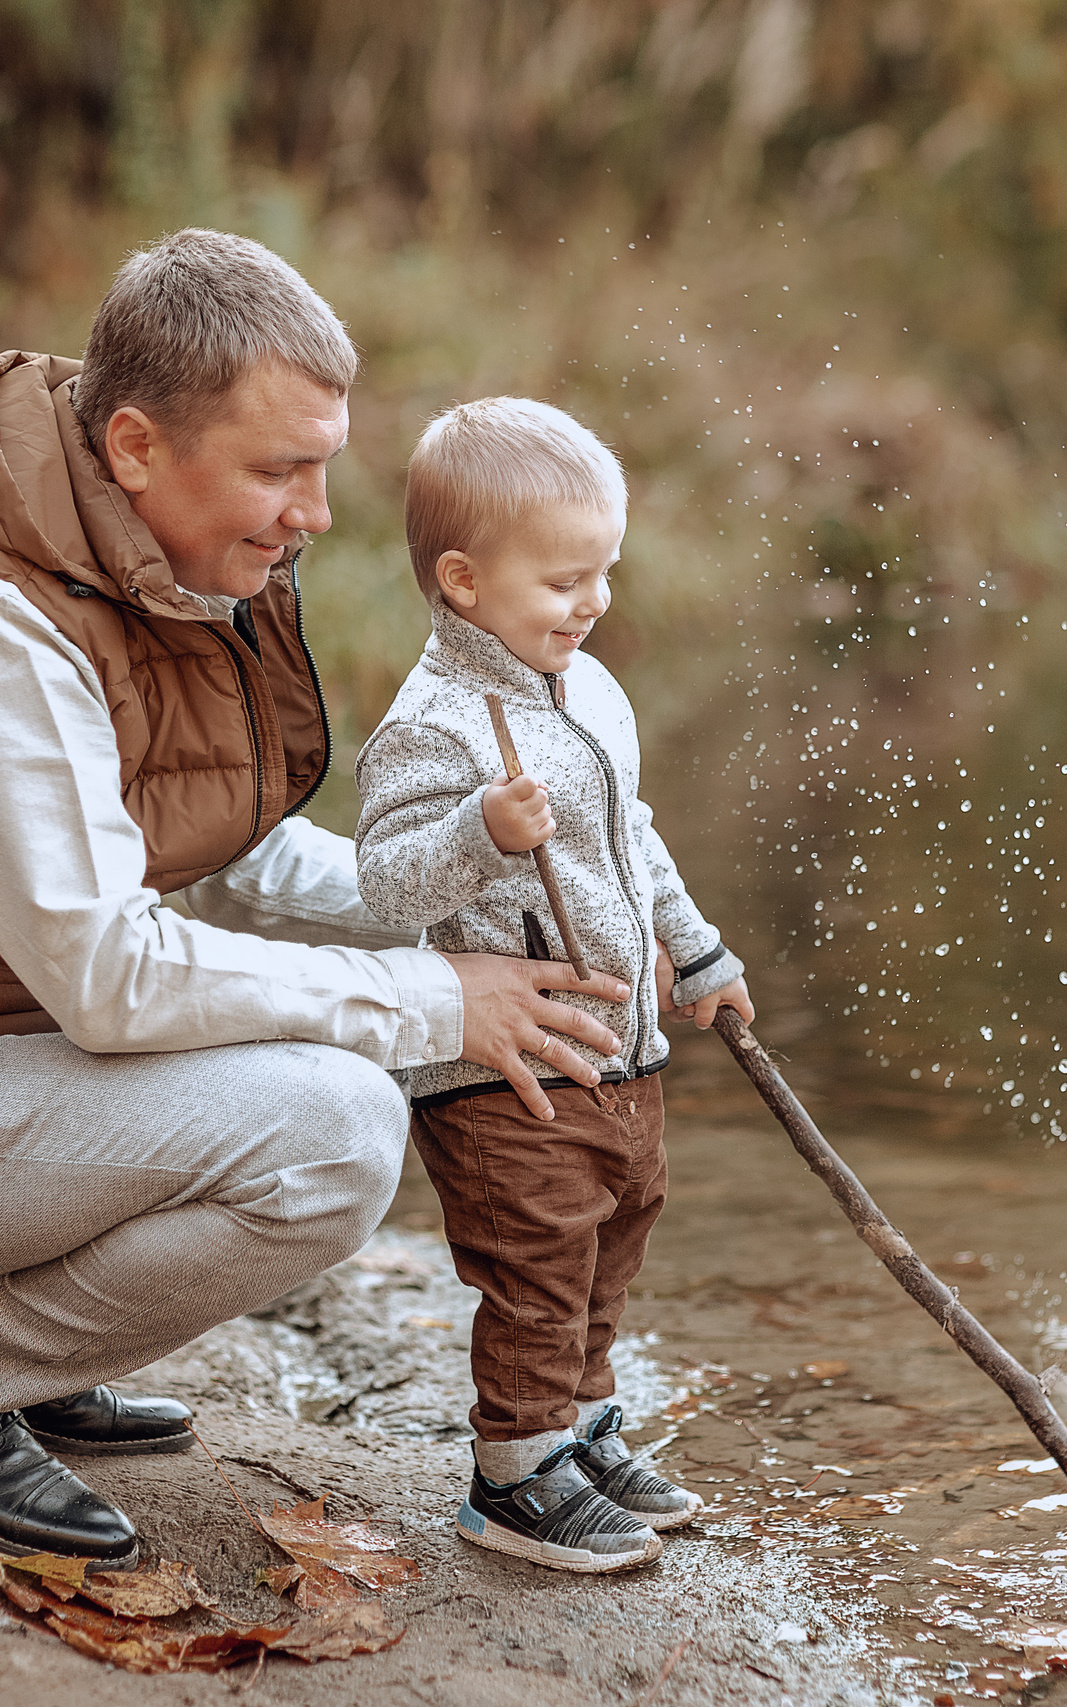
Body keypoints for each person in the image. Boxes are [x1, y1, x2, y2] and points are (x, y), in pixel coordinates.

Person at [0, 232, 633, 1566]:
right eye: (279, 469)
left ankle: (1, 1358)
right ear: (139, 445)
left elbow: (228, 849)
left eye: (322, 464)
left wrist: (457, 890)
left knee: (316, 1060)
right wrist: (431, 999)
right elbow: (112, 972)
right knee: (335, 1124)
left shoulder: (136, 555)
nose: (317, 513)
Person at [353, 397, 753, 1573]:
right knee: (536, 1257)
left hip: (619, 1046)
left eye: (604, 575)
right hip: (504, 1062)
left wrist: (699, 953)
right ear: (465, 582)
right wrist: (478, 832)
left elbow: (633, 840)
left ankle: (578, 1429)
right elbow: (385, 884)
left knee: (615, 1234)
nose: (594, 604)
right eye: (564, 583)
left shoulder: (590, 693)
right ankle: (514, 1474)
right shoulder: (432, 729)